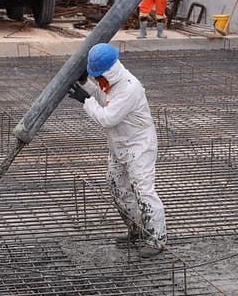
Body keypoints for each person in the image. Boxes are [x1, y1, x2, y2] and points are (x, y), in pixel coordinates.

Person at [67, 43, 167, 258]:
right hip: (119, 145)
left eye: (96, 75)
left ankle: (156, 239)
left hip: (139, 146)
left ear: (108, 72)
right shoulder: (111, 84)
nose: (96, 79)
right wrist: (85, 84)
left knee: (143, 191)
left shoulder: (130, 87)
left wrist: (85, 100)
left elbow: (108, 117)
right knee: (116, 185)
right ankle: (137, 230)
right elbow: (104, 100)